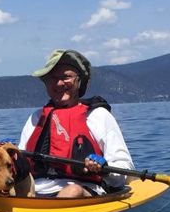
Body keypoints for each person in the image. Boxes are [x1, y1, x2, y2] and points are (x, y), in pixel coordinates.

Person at [18, 49, 134, 198]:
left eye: (66, 77)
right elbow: (22, 168)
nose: (59, 83)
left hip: (83, 191)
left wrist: (104, 169)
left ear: (79, 81)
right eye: (52, 78)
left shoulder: (97, 116)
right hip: (35, 192)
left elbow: (125, 171)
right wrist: (8, 155)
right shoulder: (36, 118)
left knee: (72, 190)